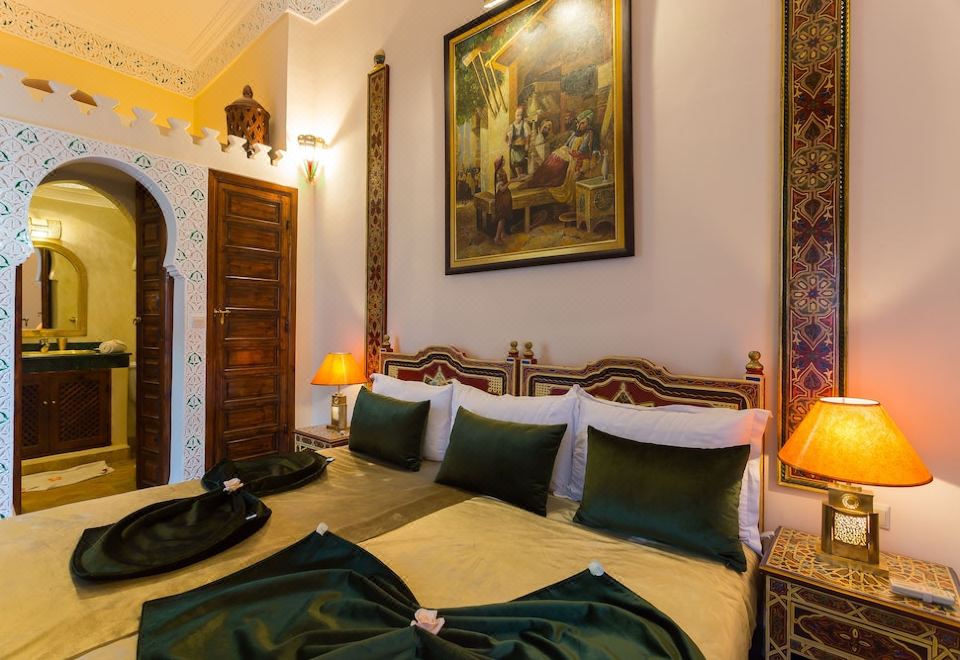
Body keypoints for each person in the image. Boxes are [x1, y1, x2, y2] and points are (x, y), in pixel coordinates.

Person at [505, 106, 531, 179]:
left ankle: (522, 174)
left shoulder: (524, 125)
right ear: (515, 115)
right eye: (517, 115)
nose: (519, 117)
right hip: (514, 146)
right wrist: (509, 142)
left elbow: (527, 135)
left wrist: (527, 144)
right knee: (514, 161)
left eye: (520, 115)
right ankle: (518, 174)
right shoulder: (511, 126)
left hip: (521, 146)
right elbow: (506, 136)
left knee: (521, 160)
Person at [493, 155, 512, 245]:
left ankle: (502, 234)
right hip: (502, 196)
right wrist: (511, 182)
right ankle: (497, 238)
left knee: (504, 215)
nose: (504, 161)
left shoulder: (502, 171)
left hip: (506, 196)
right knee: (502, 216)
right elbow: (502, 189)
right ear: (499, 163)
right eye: (502, 160)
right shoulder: (498, 174)